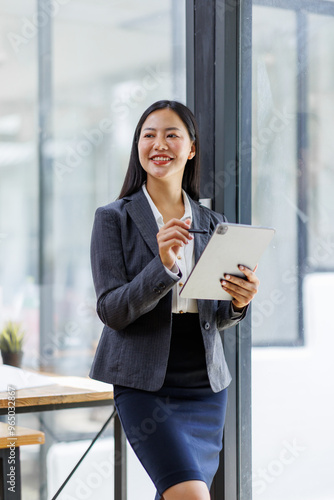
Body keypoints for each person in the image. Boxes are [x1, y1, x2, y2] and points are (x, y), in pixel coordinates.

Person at [89, 100, 259, 500]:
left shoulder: (212, 223)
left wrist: (239, 302)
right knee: (191, 495)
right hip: (144, 386)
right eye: (148, 135)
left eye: (171, 134)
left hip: (205, 387)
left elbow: (216, 317)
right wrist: (162, 268)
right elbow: (111, 311)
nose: (158, 143)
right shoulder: (113, 218)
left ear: (192, 148)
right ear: (137, 147)